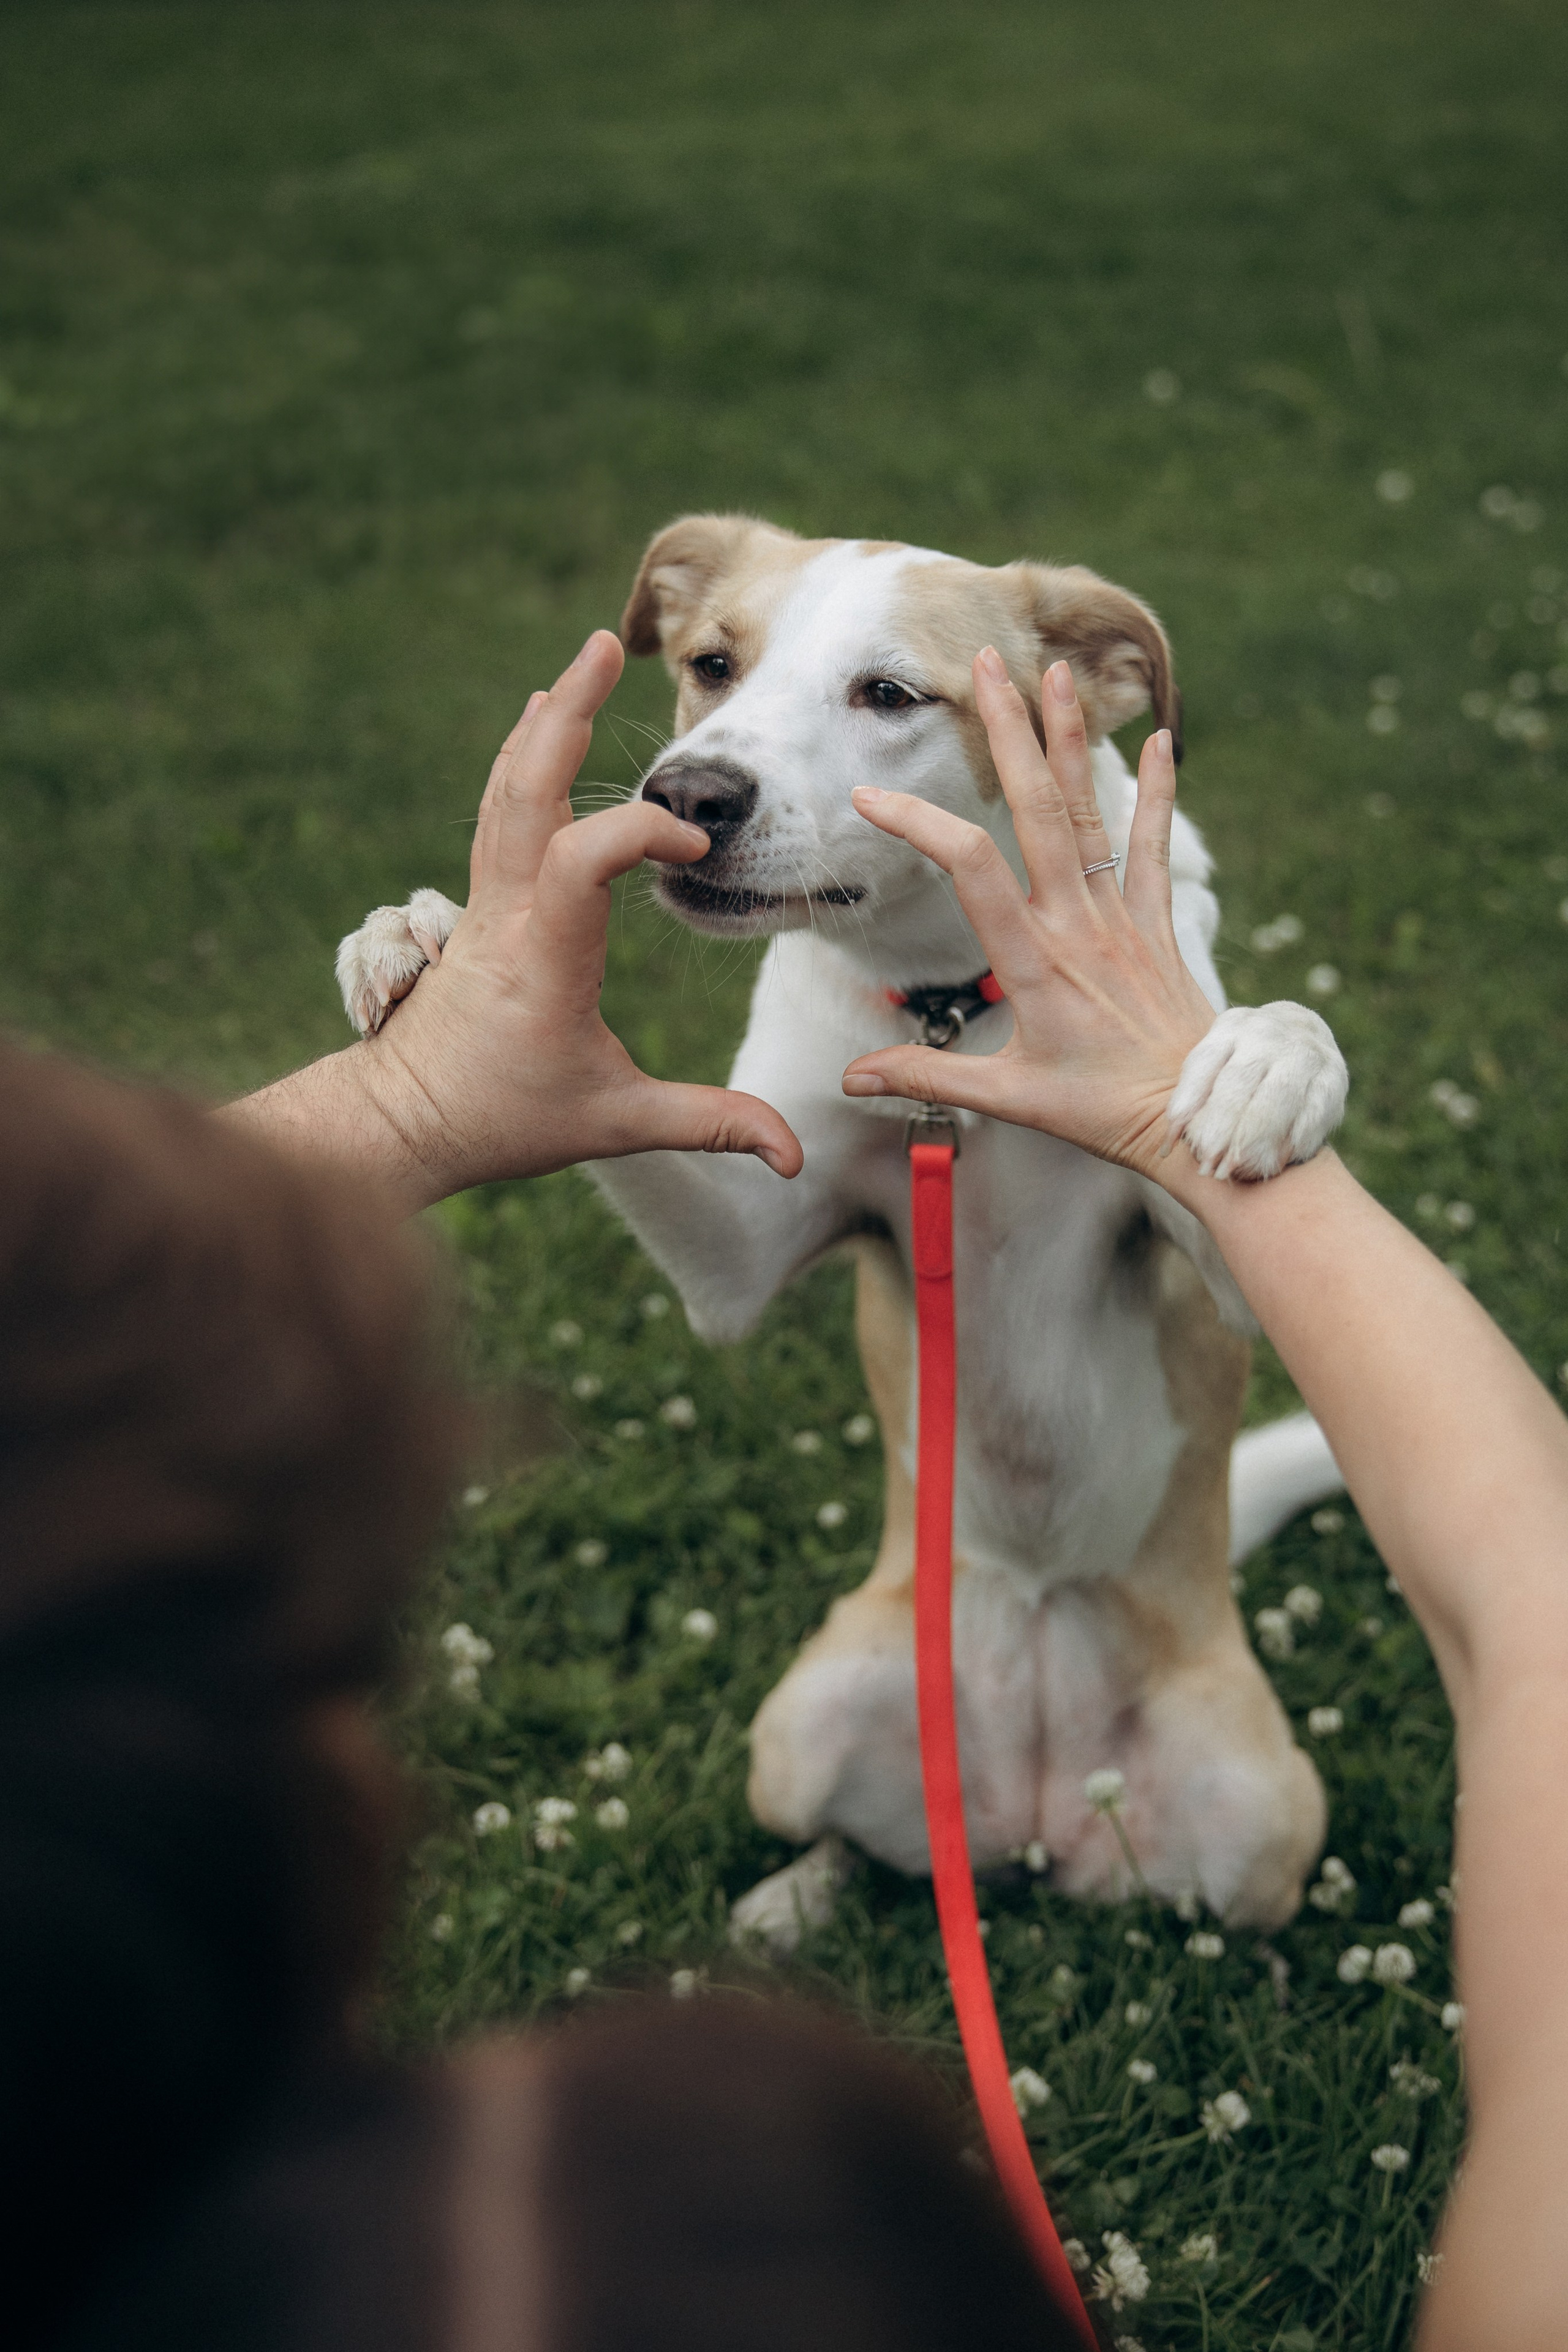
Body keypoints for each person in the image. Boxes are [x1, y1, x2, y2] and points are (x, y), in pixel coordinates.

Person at [230, 622, 1566, 2351]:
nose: (728, 748)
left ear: (1081, 696)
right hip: (941, 1603)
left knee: (1249, 1851)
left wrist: (1278, 1046)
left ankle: (1038, 1807)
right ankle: (868, 1855)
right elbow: (733, 1274)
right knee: (804, 1764)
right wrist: (486, 1089)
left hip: (1157, 1633)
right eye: (720, 669)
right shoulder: (822, 965)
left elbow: (1245, 1292)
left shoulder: (1152, 958)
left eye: (881, 692)